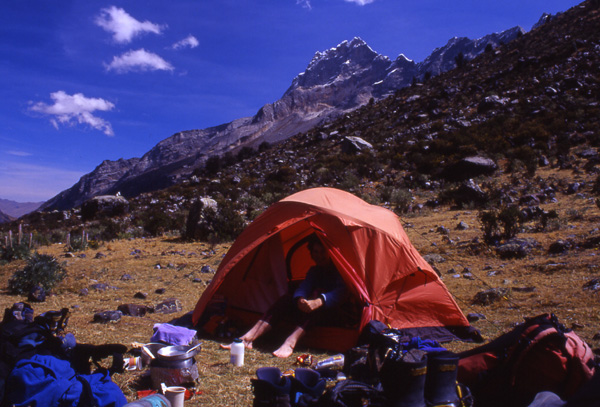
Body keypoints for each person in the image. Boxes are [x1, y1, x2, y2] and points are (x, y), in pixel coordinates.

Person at [222, 236, 348, 358]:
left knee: (317, 297)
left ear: (331, 253)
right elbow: (304, 286)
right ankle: (247, 339)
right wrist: (300, 299)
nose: (319, 256)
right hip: (312, 313)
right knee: (287, 299)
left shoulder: (340, 270)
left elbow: (342, 292)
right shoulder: (314, 271)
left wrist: (320, 301)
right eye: (315, 252)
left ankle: (289, 343)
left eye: (323, 252)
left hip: (335, 314)